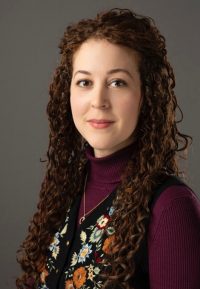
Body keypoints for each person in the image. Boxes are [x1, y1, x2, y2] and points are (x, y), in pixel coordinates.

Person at [16, 7, 200, 289]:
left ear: (146, 95)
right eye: (85, 82)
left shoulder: (171, 208)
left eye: (117, 82)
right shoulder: (66, 189)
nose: (98, 100)